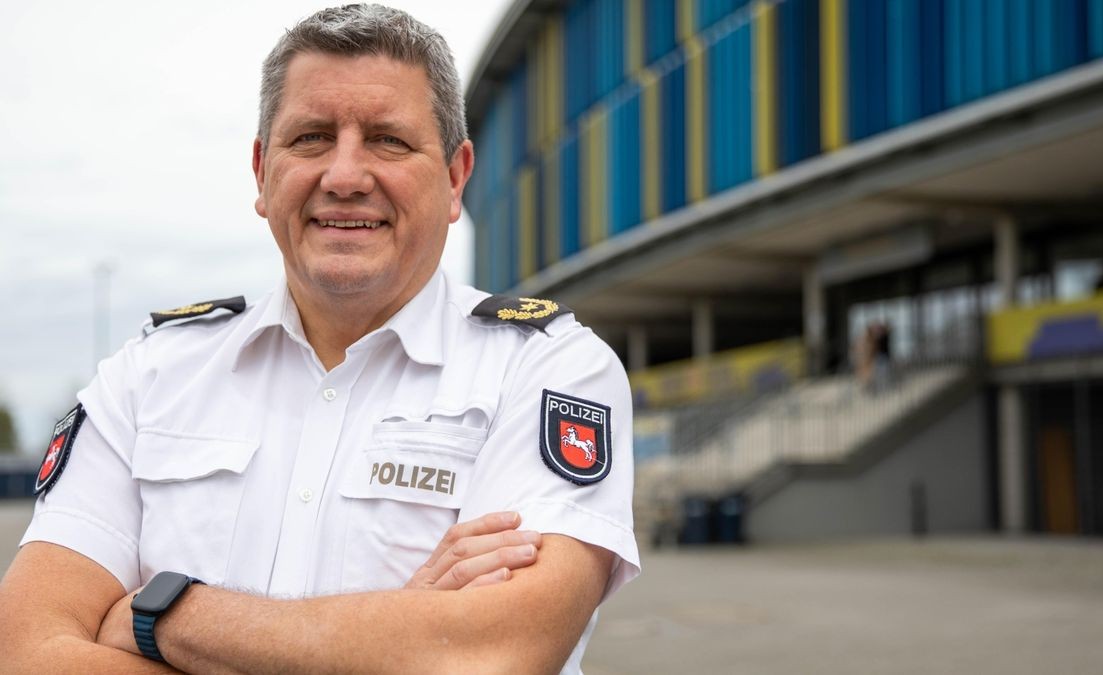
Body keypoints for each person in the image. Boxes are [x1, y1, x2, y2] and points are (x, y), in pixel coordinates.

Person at [0, 5, 638, 674]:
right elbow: (24, 652)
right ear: (261, 171)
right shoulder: (148, 376)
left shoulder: (548, 369)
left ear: (455, 177)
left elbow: (497, 652)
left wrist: (163, 617)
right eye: (311, 138)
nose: (345, 177)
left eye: (388, 140)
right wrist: (397, 639)